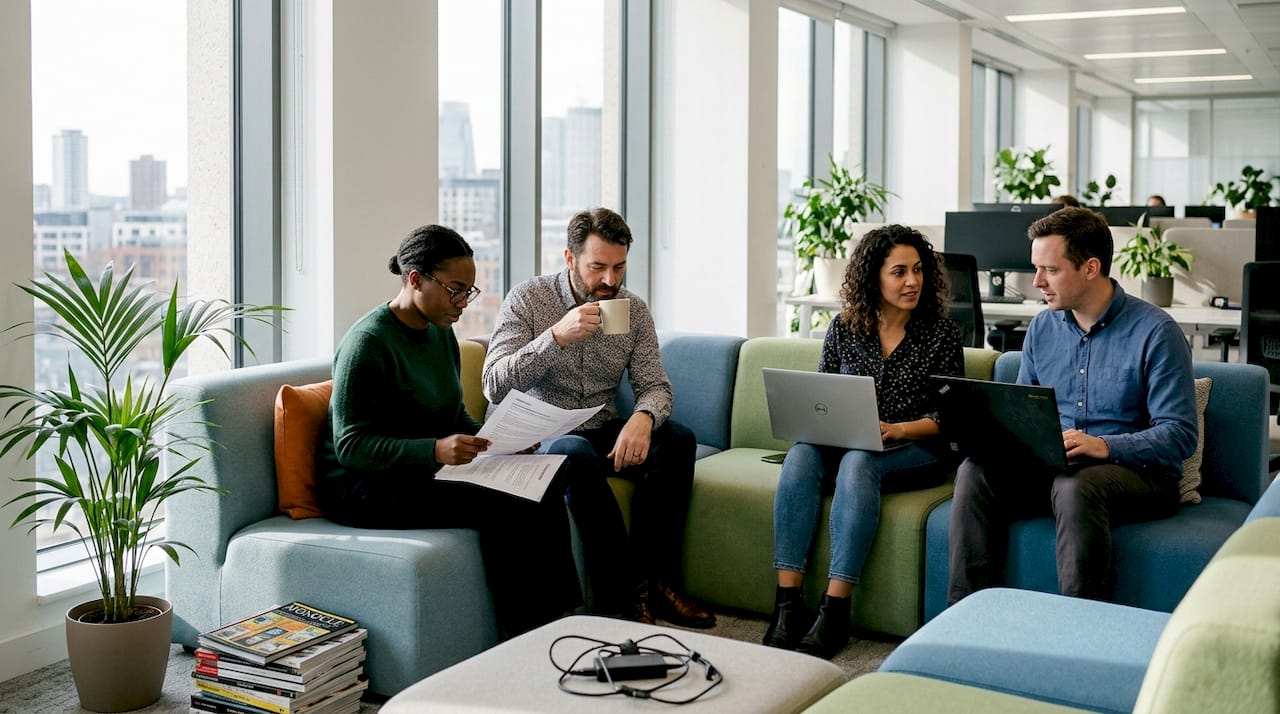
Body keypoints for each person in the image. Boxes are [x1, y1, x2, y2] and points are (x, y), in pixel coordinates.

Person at [315, 224, 636, 637]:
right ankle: (523, 632)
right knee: (505, 503)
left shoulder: (441, 333)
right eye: (455, 290)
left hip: (419, 469)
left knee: (546, 477)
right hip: (363, 487)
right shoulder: (368, 343)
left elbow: (452, 415)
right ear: (416, 280)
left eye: (469, 290)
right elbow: (351, 447)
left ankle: (563, 617)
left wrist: (498, 441)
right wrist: (435, 450)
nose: (463, 302)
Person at [947, 207, 1197, 605]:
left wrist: (1106, 446)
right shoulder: (1042, 328)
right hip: (1055, 465)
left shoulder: (1156, 332)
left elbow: (1180, 434)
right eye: (1036, 268)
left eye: (1050, 269)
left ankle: (1078, 627)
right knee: (976, 471)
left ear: (1090, 267)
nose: (1037, 282)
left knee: (1074, 485)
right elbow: (1020, 412)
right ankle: (965, 616)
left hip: (1138, 474)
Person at [481, 207, 715, 629]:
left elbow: (656, 386)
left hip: (598, 424)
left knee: (678, 440)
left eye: (619, 267)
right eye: (598, 267)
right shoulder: (528, 299)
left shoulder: (632, 310)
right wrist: (555, 337)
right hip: (542, 433)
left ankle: (660, 582)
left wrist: (643, 416)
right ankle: (626, 596)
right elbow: (492, 384)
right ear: (570, 260)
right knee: (573, 452)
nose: (610, 280)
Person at [764, 225, 964, 659]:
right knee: (800, 456)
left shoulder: (942, 333)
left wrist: (899, 429)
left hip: (917, 447)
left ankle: (836, 609)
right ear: (874, 276)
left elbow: (950, 415)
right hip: (852, 439)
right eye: (898, 272)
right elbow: (823, 394)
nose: (912, 281)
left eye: (917, 270)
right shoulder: (844, 327)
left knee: (860, 462)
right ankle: (787, 605)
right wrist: (824, 424)